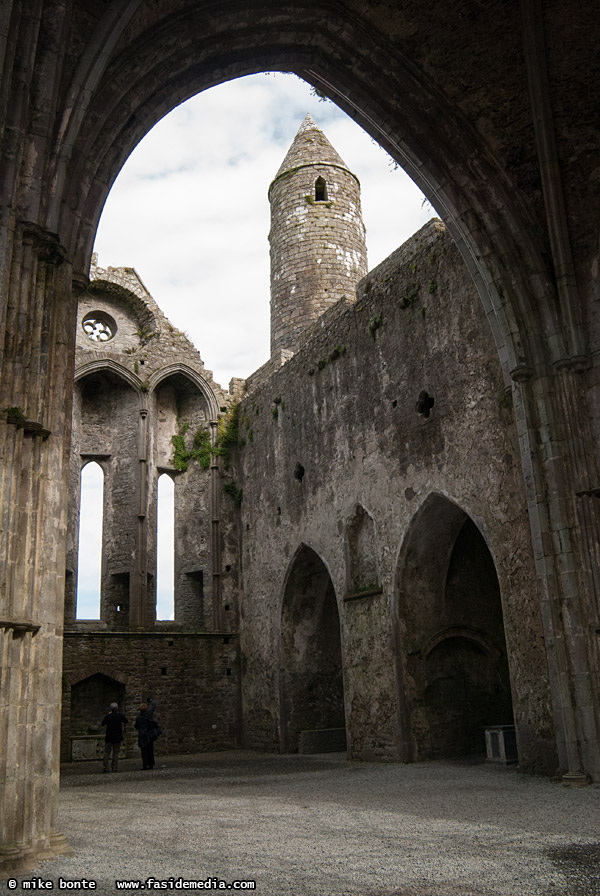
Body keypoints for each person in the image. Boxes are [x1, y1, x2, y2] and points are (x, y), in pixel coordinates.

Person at [101, 702, 128, 773]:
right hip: (117, 737)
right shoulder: (120, 716)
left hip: (109, 736)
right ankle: (114, 767)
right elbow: (126, 721)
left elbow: (103, 723)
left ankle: (106, 767)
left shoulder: (108, 716)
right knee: (116, 753)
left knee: (107, 752)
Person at [135, 697, 157, 770]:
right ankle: (151, 763)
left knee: (144, 750)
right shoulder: (149, 714)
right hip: (149, 734)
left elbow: (136, 726)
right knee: (150, 749)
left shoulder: (138, 718)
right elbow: (153, 705)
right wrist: (150, 700)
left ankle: (145, 764)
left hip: (142, 734)